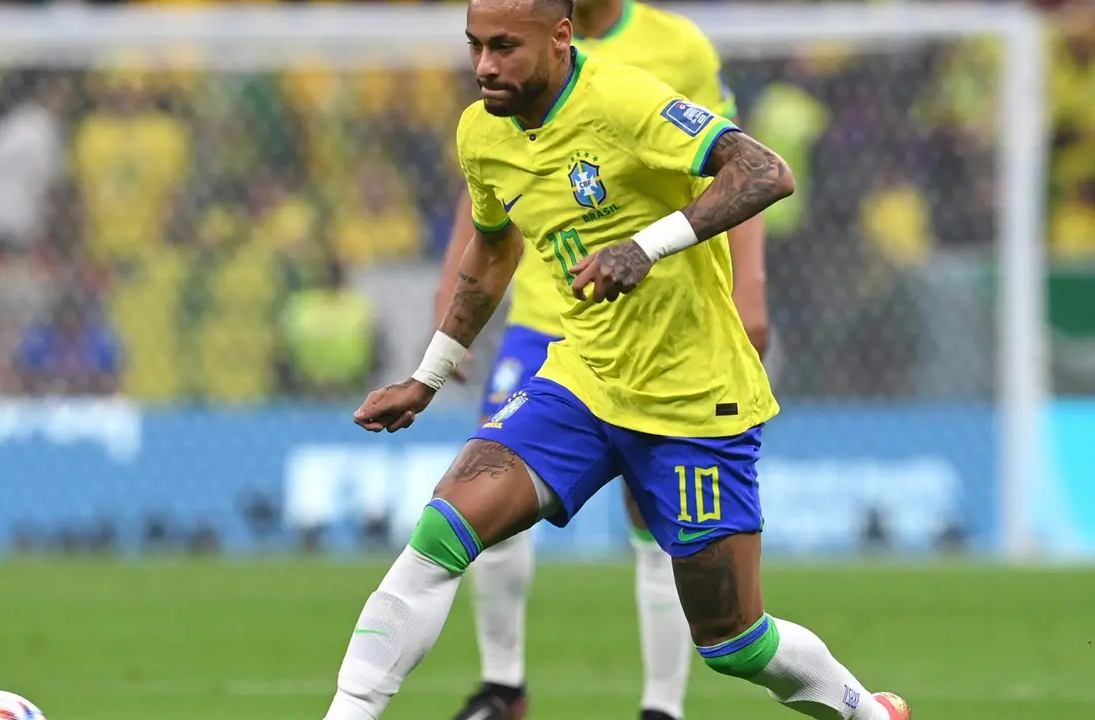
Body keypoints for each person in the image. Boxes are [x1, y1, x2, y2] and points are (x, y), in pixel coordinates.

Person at [323, 1, 911, 719]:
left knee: (733, 642)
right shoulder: (482, 132)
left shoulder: (624, 99)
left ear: (560, 36)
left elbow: (765, 171)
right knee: (442, 531)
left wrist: (645, 245)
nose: (485, 66)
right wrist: (428, 374)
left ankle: (865, 712)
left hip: (693, 401)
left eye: (505, 46)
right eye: (475, 45)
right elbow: (494, 246)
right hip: (584, 381)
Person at [431, 1, 767, 717]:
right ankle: (503, 687)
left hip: (649, 317)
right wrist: (447, 311)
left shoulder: (673, 47)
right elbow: (490, 183)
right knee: (482, 491)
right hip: (540, 319)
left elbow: (734, 164)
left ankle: (662, 706)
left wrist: (751, 284)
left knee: (656, 521)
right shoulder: (512, 47)